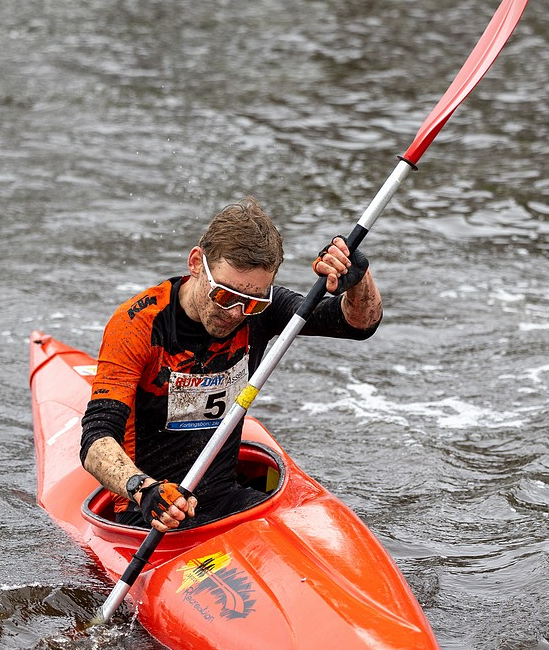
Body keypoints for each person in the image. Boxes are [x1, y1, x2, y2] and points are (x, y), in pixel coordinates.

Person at [79, 197, 382, 532]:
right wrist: (143, 488)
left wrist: (358, 280)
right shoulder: (139, 325)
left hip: (225, 499)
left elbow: (357, 324)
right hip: (149, 514)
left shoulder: (262, 309)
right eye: (225, 295)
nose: (236, 313)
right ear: (196, 263)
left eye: (251, 302)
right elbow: (96, 438)